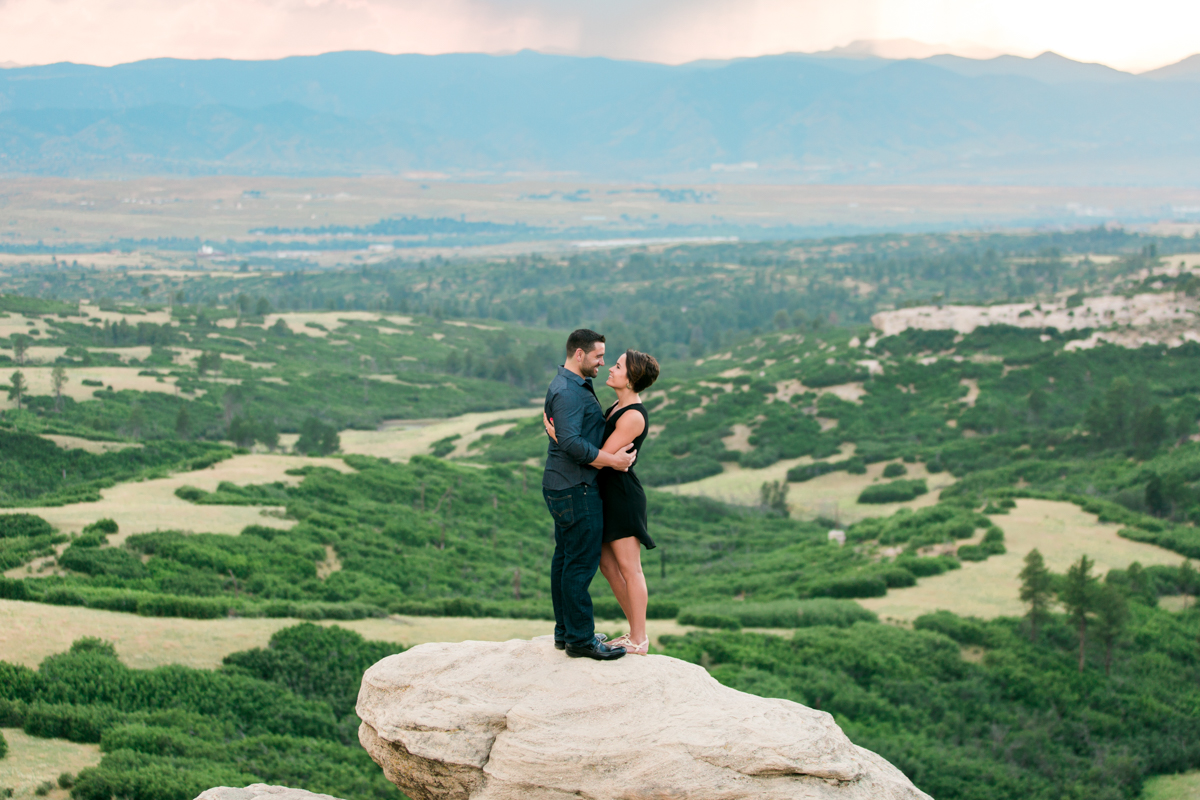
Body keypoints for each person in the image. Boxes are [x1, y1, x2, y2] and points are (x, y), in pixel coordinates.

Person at [545, 348, 659, 656]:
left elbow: (599, 458)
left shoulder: (633, 415)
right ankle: (633, 631)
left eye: (619, 366)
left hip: (621, 495)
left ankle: (639, 637)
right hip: (603, 492)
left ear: (631, 378)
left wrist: (562, 440)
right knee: (608, 566)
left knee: (629, 568)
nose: (610, 368)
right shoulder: (617, 406)